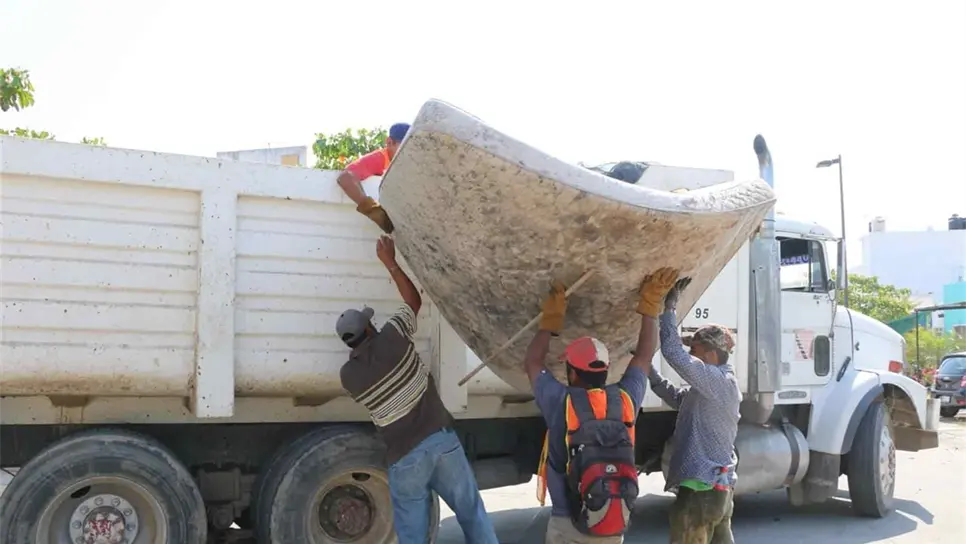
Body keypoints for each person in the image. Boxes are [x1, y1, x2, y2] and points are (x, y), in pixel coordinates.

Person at [337, 235, 498, 544]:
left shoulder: (350, 376)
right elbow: (413, 302)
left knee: (412, 535)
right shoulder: (393, 337)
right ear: (370, 329)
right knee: (471, 512)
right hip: (440, 441)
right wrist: (391, 263)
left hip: (404, 457)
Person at [526, 268, 681, 543]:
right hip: (609, 521)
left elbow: (533, 363)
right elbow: (644, 356)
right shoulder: (625, 399)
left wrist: (550, 321)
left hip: (567, 522)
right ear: (606, 370)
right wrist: (650, 305)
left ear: (572, 372)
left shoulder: (561, 401)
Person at [647, 277, 741, 544]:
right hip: (718, 490)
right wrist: (649, 372)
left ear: (710, 354)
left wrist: (670, 309)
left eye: (695, 349)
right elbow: (679, 400)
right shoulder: (715, 386)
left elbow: (673, 354)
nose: (690, 352)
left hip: (702, 493)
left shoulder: (718, 381)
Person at [336, 122, 410, 234]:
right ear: (390, 142)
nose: (408, 152)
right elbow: (345, 177)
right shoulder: (381, 158)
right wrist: (374, 211)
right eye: (404, 146)